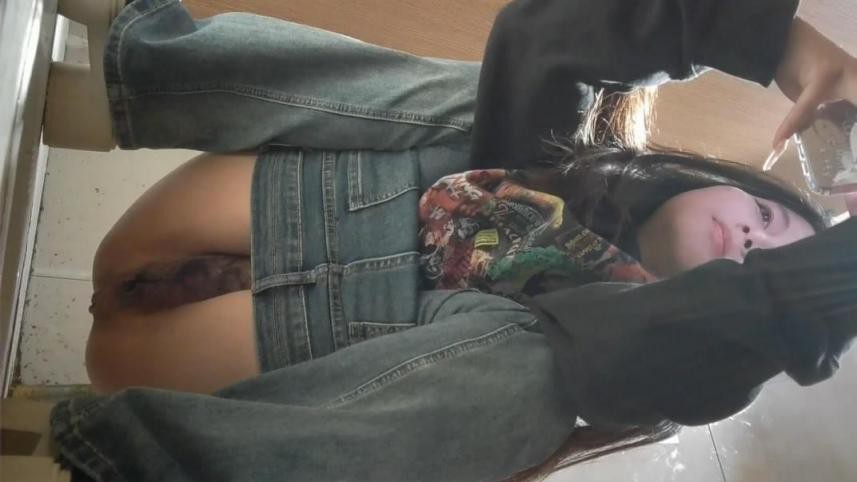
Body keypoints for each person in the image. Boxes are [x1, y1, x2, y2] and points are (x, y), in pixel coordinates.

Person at [3, 0, 857, 480]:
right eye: (768, 219)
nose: (749, 241)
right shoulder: (539, 161)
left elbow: (695, 333)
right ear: (731, 181)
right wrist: (777, 41)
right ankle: (124, 65)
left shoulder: (631, 358)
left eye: (760, 268)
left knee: (548, 377)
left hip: (195, 405)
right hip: (232, 216)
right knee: (499, 121)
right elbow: (542, 35)